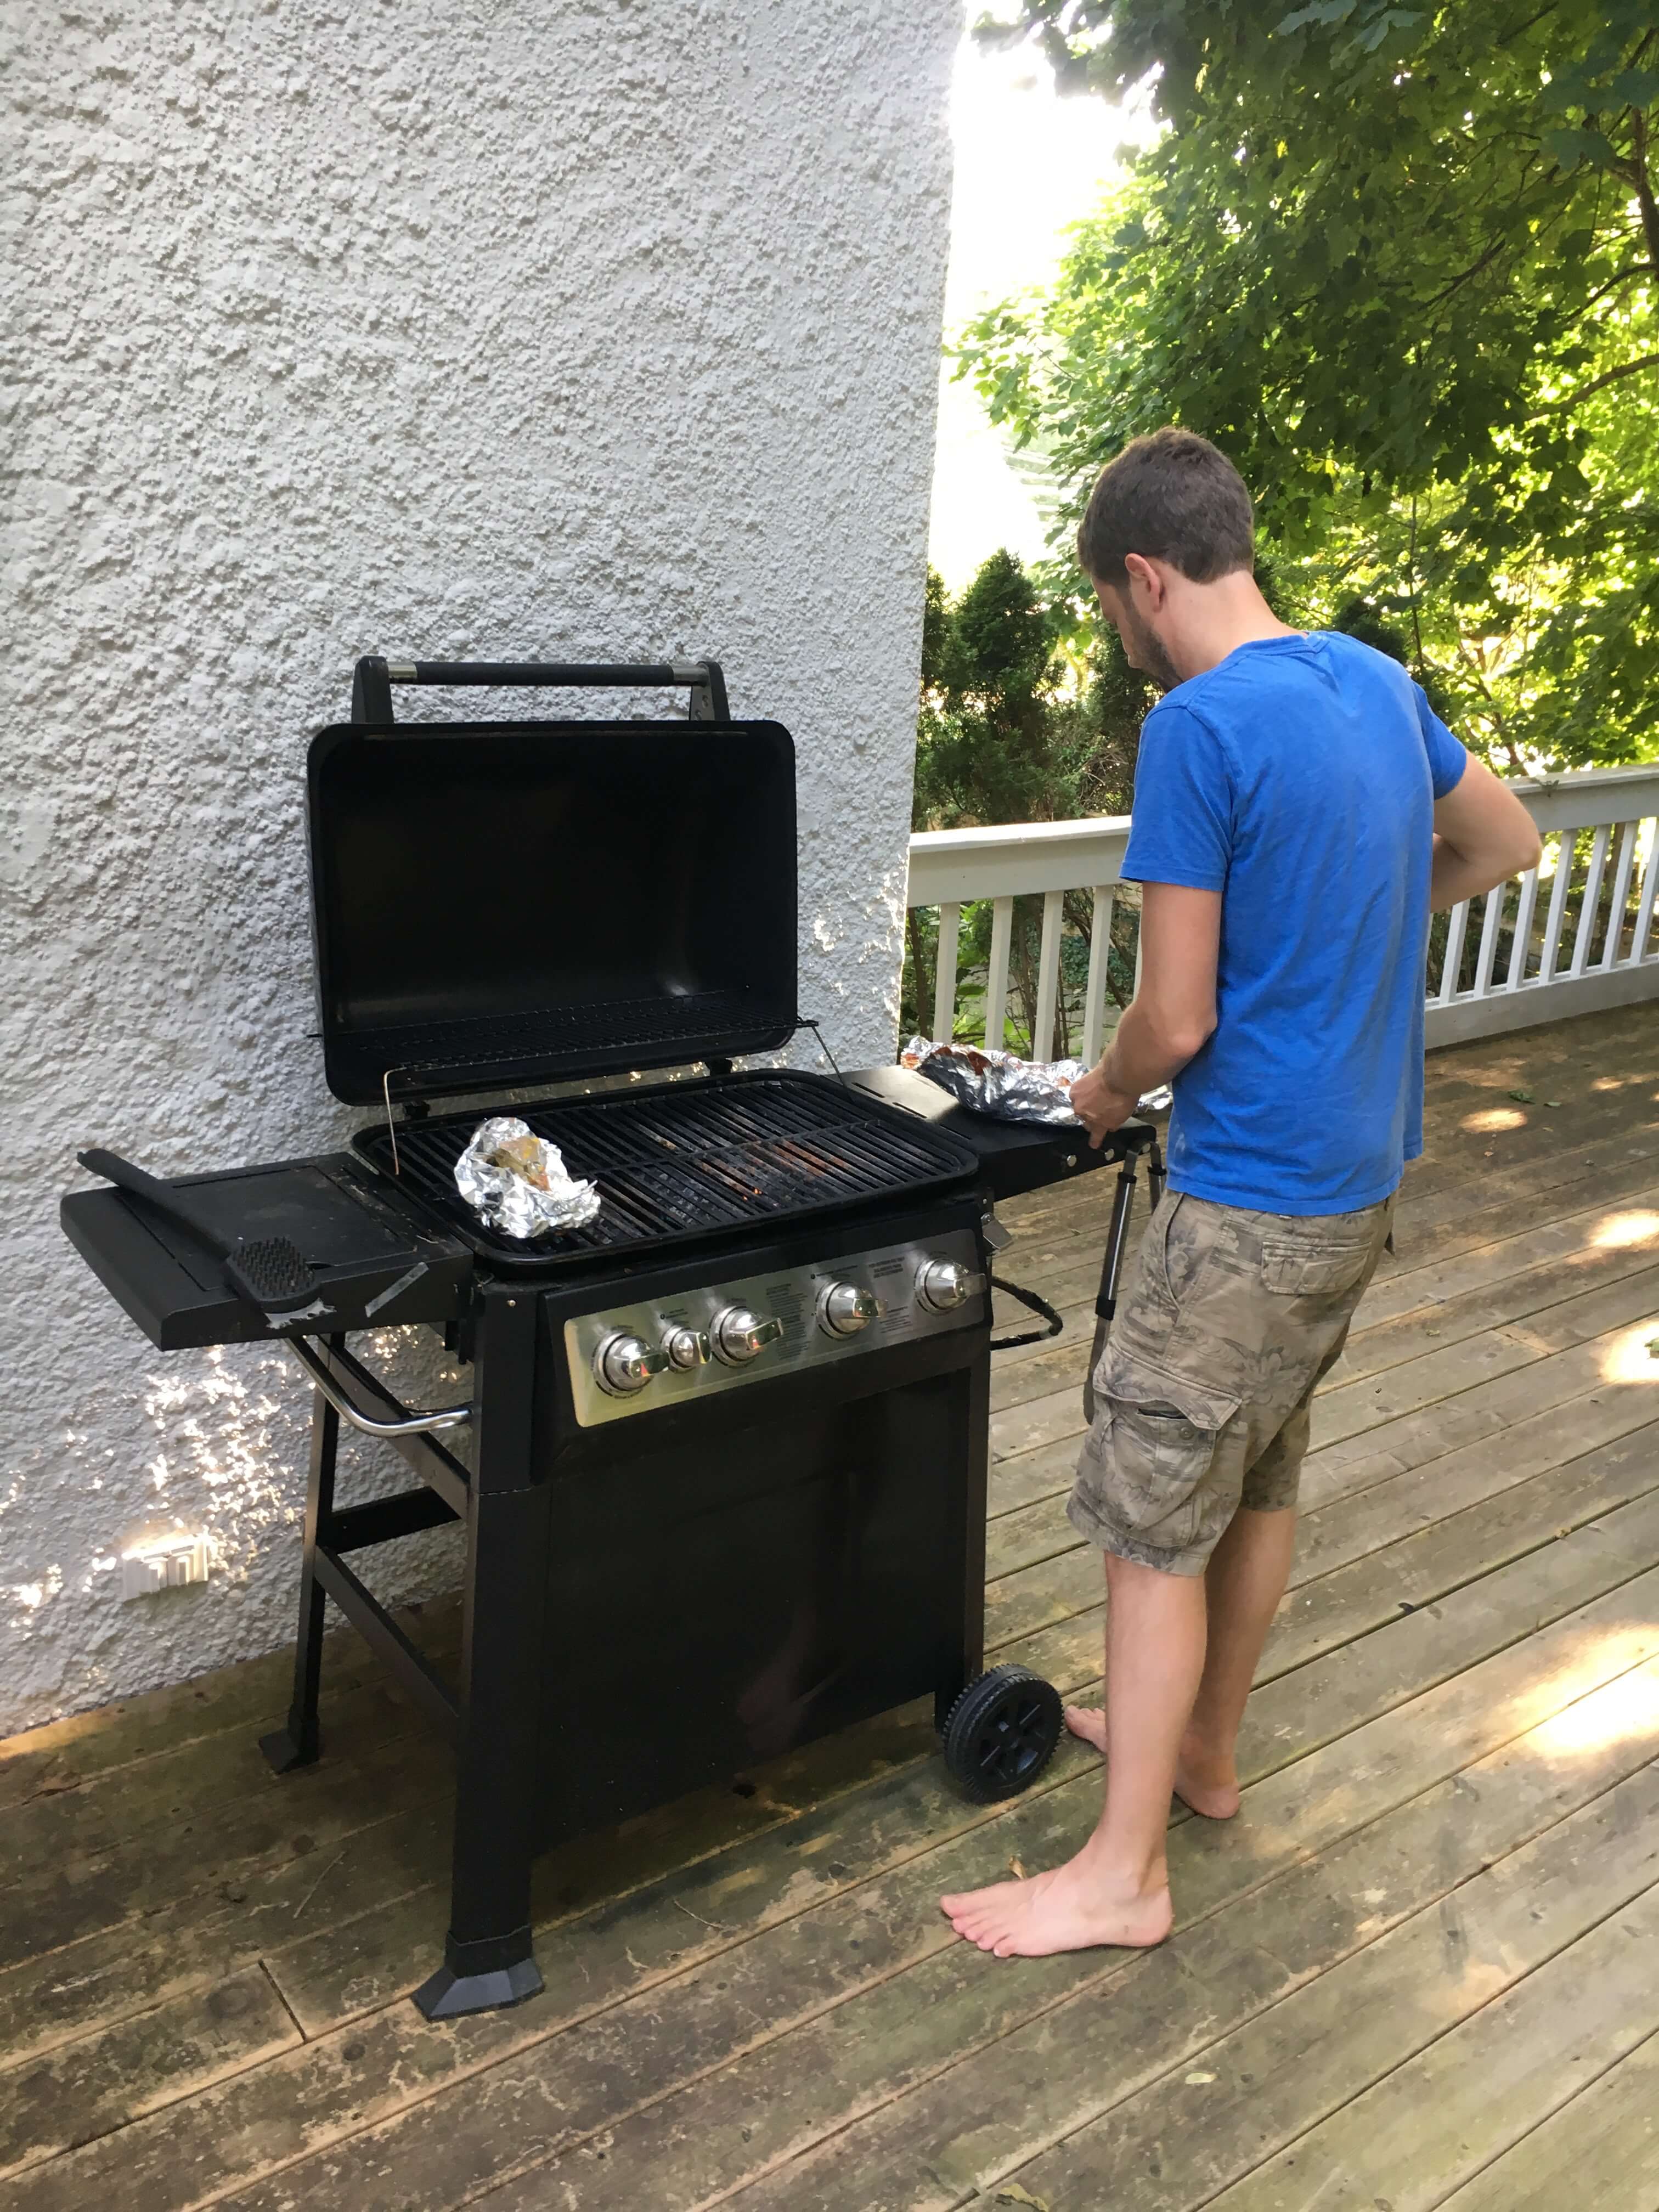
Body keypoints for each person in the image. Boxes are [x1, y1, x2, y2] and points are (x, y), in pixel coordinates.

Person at [941, 427, 1541, 1959]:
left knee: (1149, 1519)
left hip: (1252, 1201)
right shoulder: (1370, 682)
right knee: (1258, 1472)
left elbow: (1178, 1018)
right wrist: (1359, 927)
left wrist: (1098, 1092)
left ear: (1145, 577)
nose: (1114, 638)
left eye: (1105, 609)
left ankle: (1122, 1876)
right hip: (1354, 1183)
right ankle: (1201, 1756)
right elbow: (1505, 842)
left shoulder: (1199, 729)